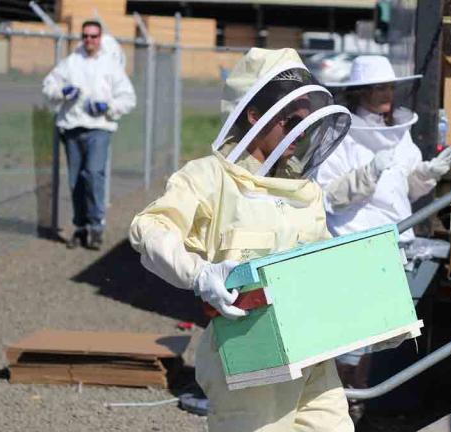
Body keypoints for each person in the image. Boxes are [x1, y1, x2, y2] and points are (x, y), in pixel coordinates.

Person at [129, 48, 353, 431]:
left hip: (313, 352)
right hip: (249, 356)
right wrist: (200, 274)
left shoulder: (303, 190)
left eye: (306, 120)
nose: (300, 133)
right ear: (256, 116)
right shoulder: (208, 179)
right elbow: (148, 229)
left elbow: (322, 262)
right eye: (292, 121)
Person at [313, 55, 451, 423]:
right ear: (360, 91)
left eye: (390, 86)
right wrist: (368, 173)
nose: (386, 94)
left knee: (376, 333)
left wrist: (429, 173)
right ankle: (336, 407)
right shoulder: (341, 136)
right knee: (350, 335)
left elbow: (404, 190)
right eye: (379, 87)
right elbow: (328, 195)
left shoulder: (399, 131)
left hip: (395, 238)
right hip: (354, 240)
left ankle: (356, 406)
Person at [42, 20, 136, 250]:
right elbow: (48, 86)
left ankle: (96, 225)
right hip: (73, 127)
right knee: (76, 180)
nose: (89, 40)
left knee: (93, 174)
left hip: (99, 129)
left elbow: (128, 98)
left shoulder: (110, 66)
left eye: (94, 36)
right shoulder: (71, 63)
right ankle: (81, 226)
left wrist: (108, 107)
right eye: (85, 36)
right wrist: (62, 92)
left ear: (100, 38)